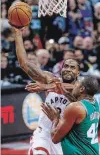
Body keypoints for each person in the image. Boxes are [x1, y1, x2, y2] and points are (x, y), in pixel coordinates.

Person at [11, 27, 80, 155]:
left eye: (72, 67)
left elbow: (70, 90)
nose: (68, 69)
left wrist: (46, 87)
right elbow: (24, 63)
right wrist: (18, 34)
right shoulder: (50, 78)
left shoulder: (81, 88)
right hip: (43, 135)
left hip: (64, 139)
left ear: (78, 72)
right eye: (66, 66)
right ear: (61, 68)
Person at [42, 76, 100, 155]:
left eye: (76, 84)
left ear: (81, 89)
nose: (74, 87)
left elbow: (55, 138)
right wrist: (65, 92)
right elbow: (78, 102)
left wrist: (55, 120)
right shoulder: (94, 103)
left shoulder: (74, 107)